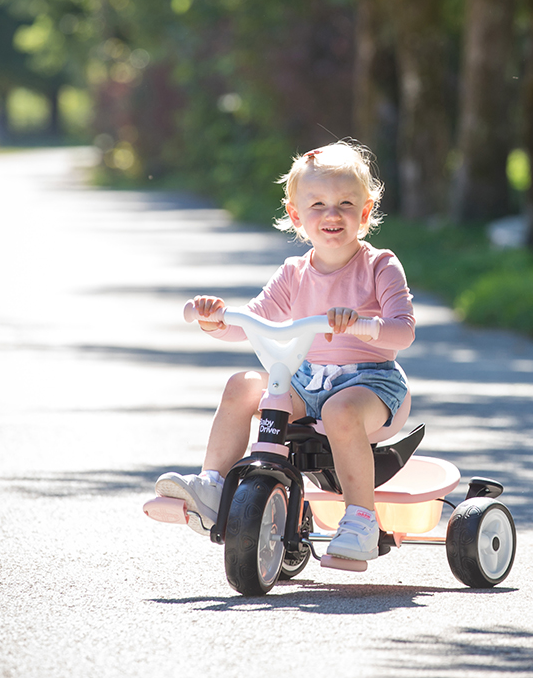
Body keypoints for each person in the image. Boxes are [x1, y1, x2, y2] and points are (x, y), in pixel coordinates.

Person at [154, 141, 415, 562]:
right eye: (318, 204)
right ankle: (213, 486)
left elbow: (403, 332)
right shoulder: (293, 273)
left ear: (365, 212)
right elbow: (254, 321)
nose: (332, 214)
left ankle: (361, 519)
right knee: (243, 385)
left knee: (340, 411)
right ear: (297, 216)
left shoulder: (379, 266)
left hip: (371, 384)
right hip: (307, 381)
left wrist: (365, 327)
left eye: (346, 204)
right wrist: (216, 320)